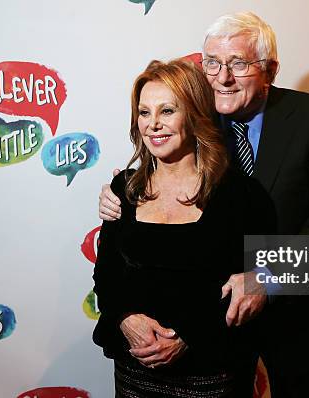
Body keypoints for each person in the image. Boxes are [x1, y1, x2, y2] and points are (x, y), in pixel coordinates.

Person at [98, 12, 309, 397]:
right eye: (212, 63)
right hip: (214, 328)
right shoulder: (193, 112)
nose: (223, 78)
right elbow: (161, 178)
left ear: (270, 69)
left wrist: (267, 277)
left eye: (239, 64)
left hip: (293, 315)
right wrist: (116, 194)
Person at [92, 59, 276, 397]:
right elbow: (106, 276)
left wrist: (188, 338)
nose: (153, 125)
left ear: (192, 114)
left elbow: (254, 288)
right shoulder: (124, 189)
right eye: (144, 113)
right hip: (134, 376)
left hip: (212, 378)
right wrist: (124, 319)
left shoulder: (239, 194)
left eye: (167, 111)